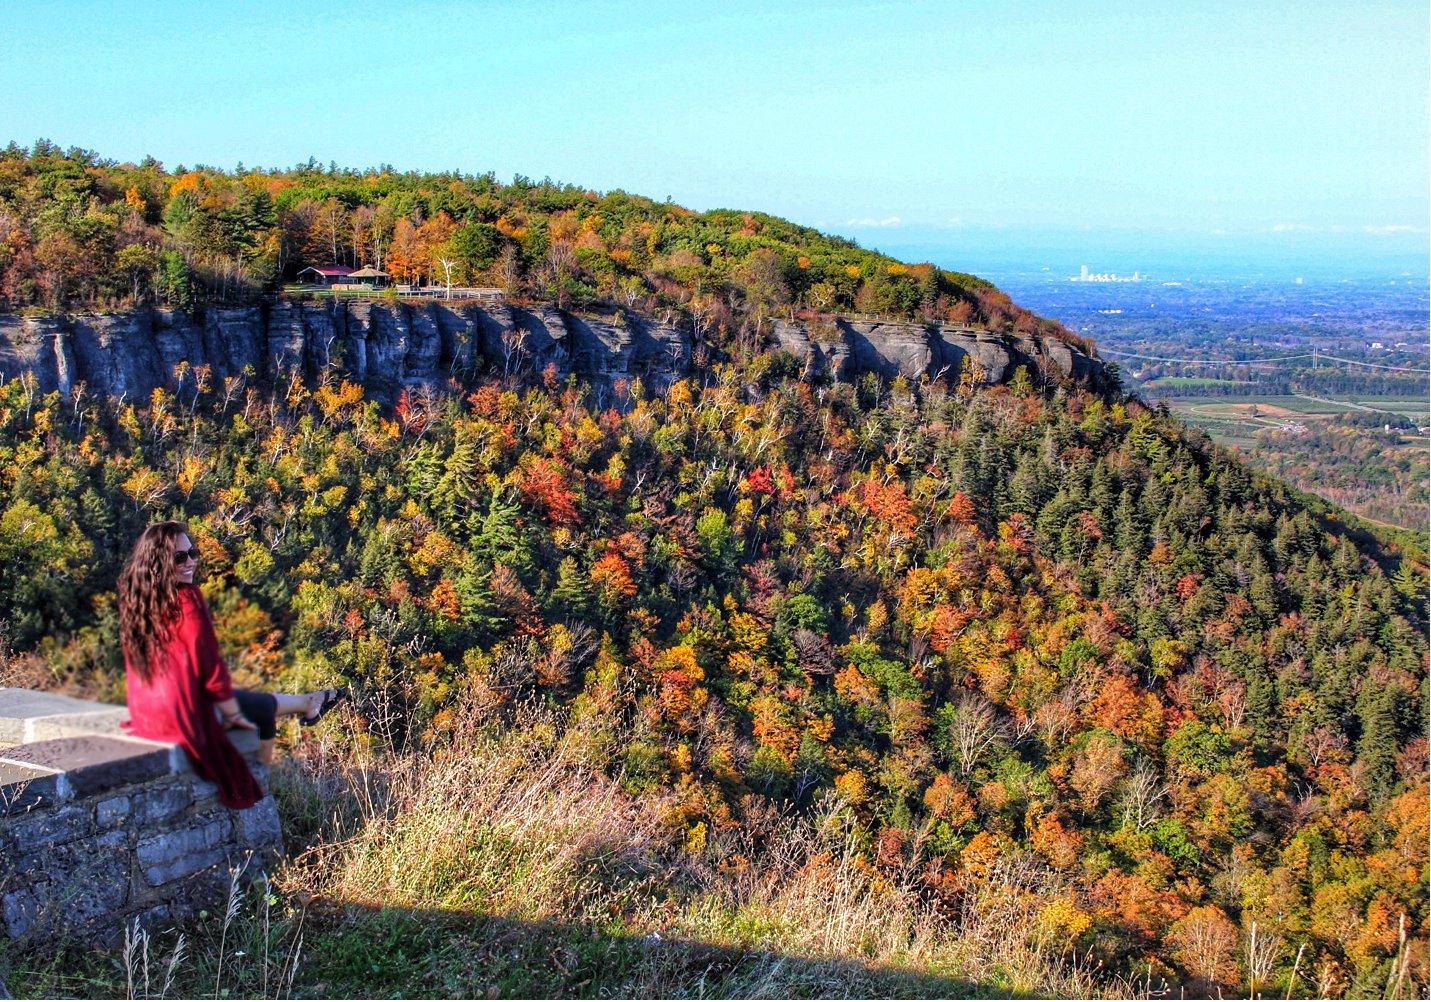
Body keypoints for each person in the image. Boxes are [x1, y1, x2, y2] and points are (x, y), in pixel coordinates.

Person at [118, 520, 344, 809]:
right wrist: (231, 713)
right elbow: (211, 668)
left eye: (192, 553)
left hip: (147, 711)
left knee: (249, 702)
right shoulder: (187, 599)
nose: (191, 562)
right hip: (180, 716)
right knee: (255, 708)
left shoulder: (137, 599)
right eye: (179, 557)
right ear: (159, 561)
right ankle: (274, 768)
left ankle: (309, 702)